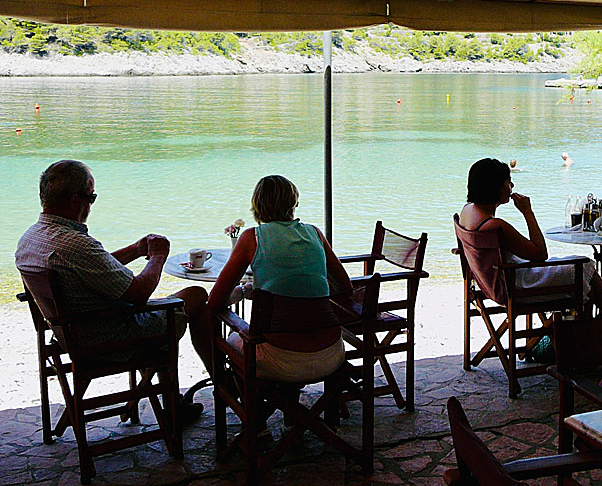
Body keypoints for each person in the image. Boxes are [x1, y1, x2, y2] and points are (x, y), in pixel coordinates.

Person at [15, 160, 208, 420]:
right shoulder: (75, 244)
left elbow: (95, 269)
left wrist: (136, 250)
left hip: (70, 335)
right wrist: (157, 257)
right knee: (194, 295)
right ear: (75, 200)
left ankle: (172, 402)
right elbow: (139, 294)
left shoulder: (31, 238)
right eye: (91, 197)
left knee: (166, 317)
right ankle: (199, 395)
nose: (92, 204)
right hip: (108, 338)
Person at [206, 174, 353, 383]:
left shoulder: (252, 237)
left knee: (232, 338)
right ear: (294, 202)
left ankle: (245, 401)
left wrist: (240, 293)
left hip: (279, 360)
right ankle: (293, 406)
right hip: (330, 354)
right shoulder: (315, 234)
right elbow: (344, 286)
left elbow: (215, 302)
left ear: (256, 205)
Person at [458, 158, 602, 315]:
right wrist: (528, 212)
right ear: (496, 187)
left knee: (586, 282)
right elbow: (540, 254)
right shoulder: (495, 226)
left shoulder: (468, 211)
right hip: (516, 286)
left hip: (492, 285)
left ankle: (597, 329)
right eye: (508, 182)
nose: (512, 186)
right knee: (584, 265)